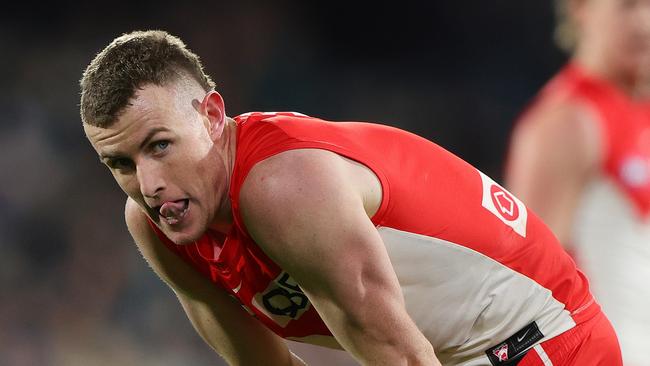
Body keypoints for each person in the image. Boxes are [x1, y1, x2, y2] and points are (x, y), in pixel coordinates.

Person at [79, 30, 621, 366]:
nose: (148, 184)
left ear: (213, 116)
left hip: (541, 343)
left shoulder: (282, 186)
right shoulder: (156, 226)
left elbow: (402, 358)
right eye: (120, 164)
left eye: (160, 146)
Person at [505, 1, 650, 364]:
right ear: (580, 9)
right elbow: (528, 283)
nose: (645, 24)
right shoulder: (562, 124)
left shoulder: (640, 112)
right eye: (628, 6)